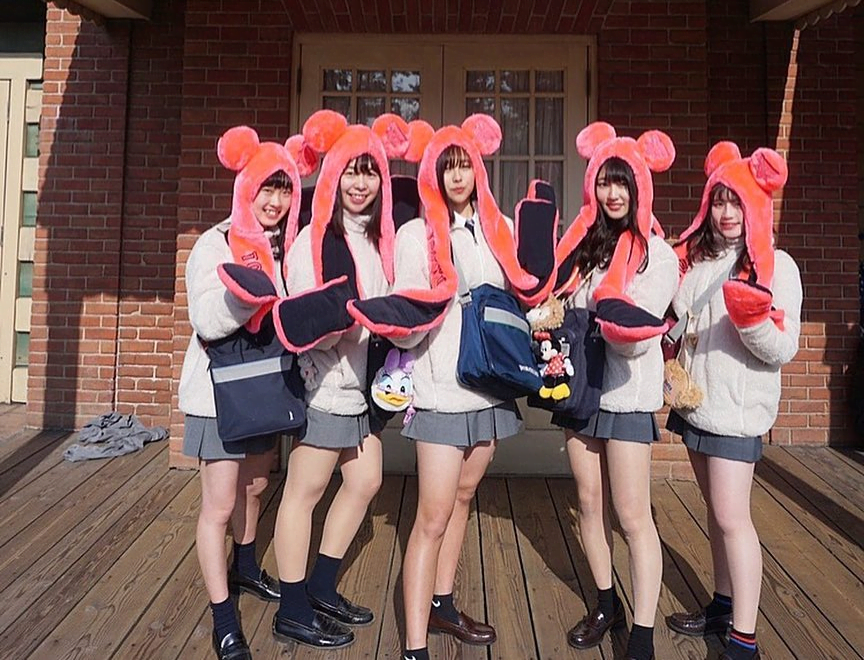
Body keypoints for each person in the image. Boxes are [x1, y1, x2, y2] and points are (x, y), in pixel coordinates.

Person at [355, 115, 556, 660]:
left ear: (479, 169)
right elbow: (406, 316)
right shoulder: (415, 235)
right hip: (441, 387)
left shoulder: (499, 229)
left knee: (465, 497)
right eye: (448, 167)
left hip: (490, 386)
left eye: (465, 165)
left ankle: (442, 604)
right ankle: (415, 646)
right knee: (432, 515)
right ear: (433, 174)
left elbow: (524, 294)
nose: (458, 176)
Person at [268, 110, 411, 650]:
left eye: (369, 172)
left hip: (363, 387)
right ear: (333, 176)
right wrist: (353, 324)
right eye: (351, 171)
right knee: (303, 492)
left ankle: (322, 586)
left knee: (365, 480)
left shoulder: (379, 240)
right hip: (325, 383)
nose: (360, 183)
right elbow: (309, 319)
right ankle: (292, 608)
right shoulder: (313, 239)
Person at [665, 142, 801, 660]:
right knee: (716, 513)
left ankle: (744, 640)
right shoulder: (704, 260)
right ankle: (722, 606)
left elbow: (783, 348)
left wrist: (750, 322)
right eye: (719, 201)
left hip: (735, 413)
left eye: (736, 202)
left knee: (732, 518)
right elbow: (681, 318)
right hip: (695, 403)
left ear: (755, 207)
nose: (726, 213)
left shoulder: (778, 265)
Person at [551, 122, 678, 660]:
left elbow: (638, 333)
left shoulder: (657, 255)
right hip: (581, 392)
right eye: (605, 181)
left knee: (631, 514)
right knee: (588, 503)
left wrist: (600, 318)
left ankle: (642, 634)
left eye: (623, 181)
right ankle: (607, 603)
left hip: (626, 396)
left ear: (640, 187)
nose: (613, 193)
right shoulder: (584, 250)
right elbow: (560, 306)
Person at [178, 126, 304, 660]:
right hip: (218, 393)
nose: (275, 201)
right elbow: (206, 319)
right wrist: (246, 295)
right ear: (246, 188)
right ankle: (224, 620)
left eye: (284, 190)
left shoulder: (288, 246)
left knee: (256, 487)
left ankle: (246, 566)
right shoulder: (216, 243)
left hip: (264, 388)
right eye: (266, 188)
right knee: (219, 503)